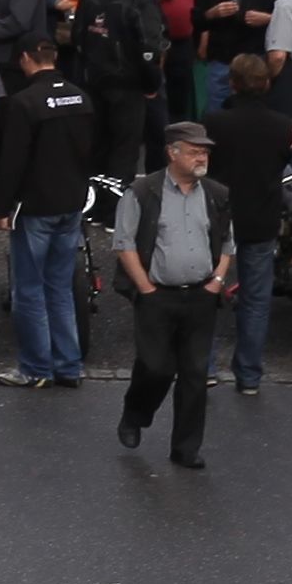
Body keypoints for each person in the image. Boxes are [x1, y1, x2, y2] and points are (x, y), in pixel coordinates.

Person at [109, 121, 238, 470]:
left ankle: (186, 448)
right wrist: (146, 288)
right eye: (195, 151)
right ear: (172, 153)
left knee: (196, 375)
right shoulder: (143, 192)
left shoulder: (216, 194)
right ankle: (136, 414)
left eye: (205, 152)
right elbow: (124, 243)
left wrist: (217, 280)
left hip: (201, 296)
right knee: (156, 367)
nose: (202, 157)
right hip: (157, 296)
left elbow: (227, 243)